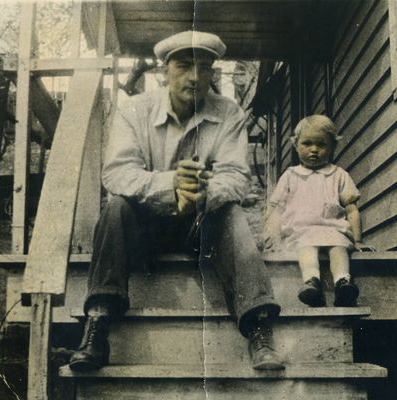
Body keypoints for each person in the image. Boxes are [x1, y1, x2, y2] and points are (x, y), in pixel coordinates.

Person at [69, 31, 284, 372]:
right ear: (164, 70)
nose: (195, 77)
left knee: (233, 216)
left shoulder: (228, 113)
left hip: (202, 229)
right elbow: (117, 173)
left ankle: (258, 327)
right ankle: (97, 324)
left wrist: (199, 196)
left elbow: (236, 177)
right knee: (115, 207)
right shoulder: (135, 110)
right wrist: (171, 185)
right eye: (184, 66)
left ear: (213, 72)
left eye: (204, 67)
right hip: (147, 232)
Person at [263, 115, 374, 308]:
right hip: (301, 231)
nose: (314, 149)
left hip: (333, 229)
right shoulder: (291, 176)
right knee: (307, 248)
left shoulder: (338, 175)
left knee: (338, 248)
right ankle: (311, 283)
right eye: (307, 143)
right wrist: (272, 238)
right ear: (296, 145)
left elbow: (352, 210)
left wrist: (357, 240)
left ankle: (342, 284)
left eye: (321, 144)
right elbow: (276, 210)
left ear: (332, 147)